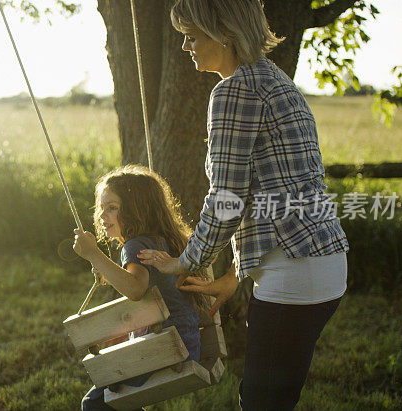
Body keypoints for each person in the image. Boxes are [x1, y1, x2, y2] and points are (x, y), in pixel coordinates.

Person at [137, 0, 350, 410]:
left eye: (193, 35)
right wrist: (237, 274)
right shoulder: (277, 82)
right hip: (323, 265)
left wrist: (186, 260)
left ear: (226, 34)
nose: (186, 46)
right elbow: (276, 193)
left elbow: (228, 199)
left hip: (293, 275)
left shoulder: (233, 91)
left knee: (260, 403)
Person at [72, 165, 202, 411]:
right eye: (102, 208)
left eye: (112, 208)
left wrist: (93, 255)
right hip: (186, 344)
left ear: (137, 210)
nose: (102, 215)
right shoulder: (166, 241)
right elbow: (142, 281)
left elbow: (135, 288)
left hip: (165, 348)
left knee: (95, 402)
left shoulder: (134, 245)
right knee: (123, 400)